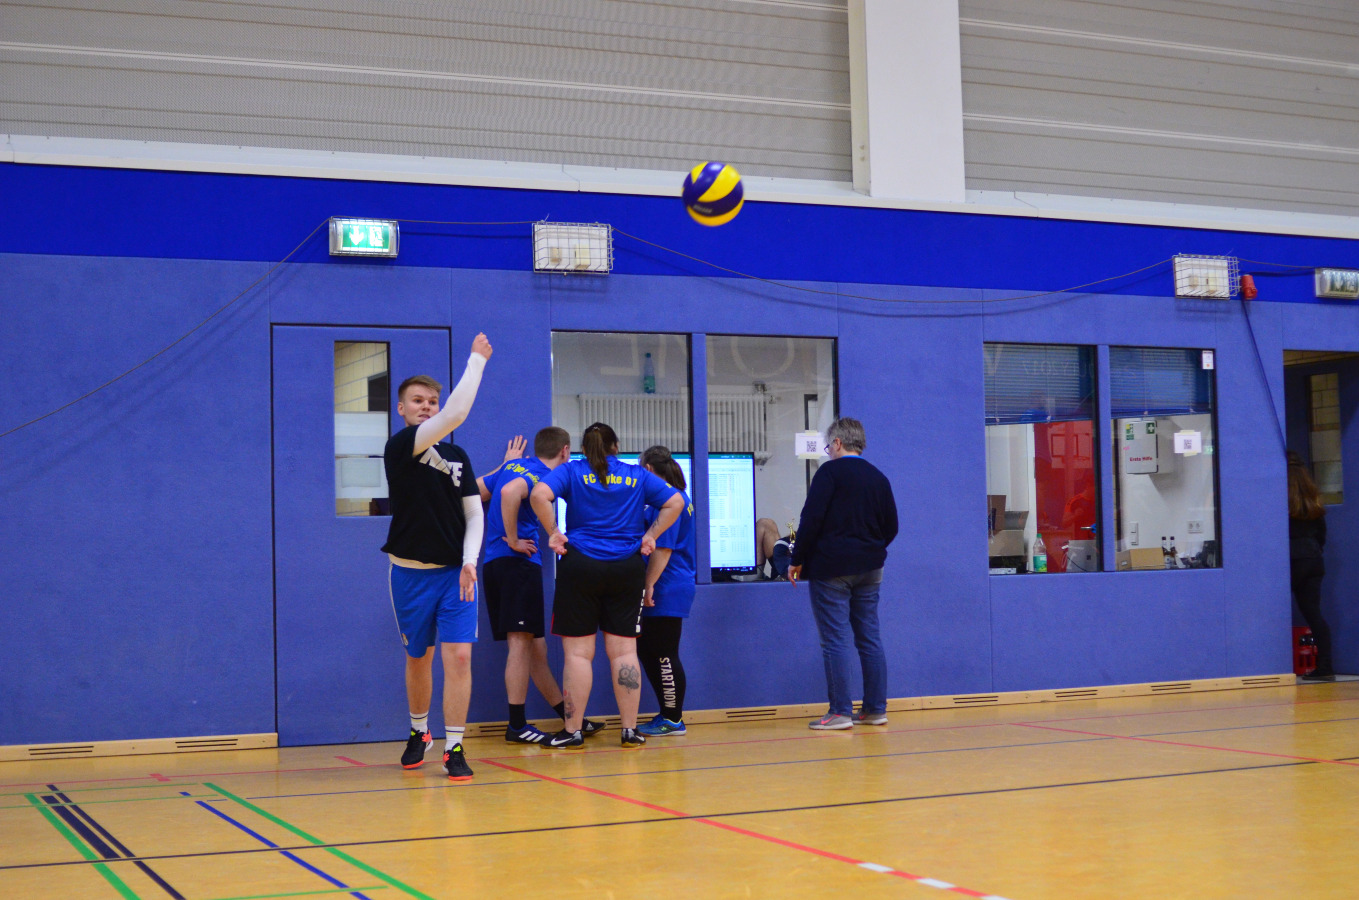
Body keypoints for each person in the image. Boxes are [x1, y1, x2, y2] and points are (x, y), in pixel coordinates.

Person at [529, 422, 684, 749]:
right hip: (627, 568)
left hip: (580, 567)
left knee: (578, 654)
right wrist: (651, 535)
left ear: (583, 449)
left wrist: (554, 532)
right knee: (624, 652)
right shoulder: (636, 475)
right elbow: (676, 502)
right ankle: (629, 730)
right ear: (617, 446)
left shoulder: (572, 471)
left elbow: (539, 494)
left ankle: (573, 731)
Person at [383, 333, 491, 782]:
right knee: (419, 658)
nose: (426, 407)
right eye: (418, 401)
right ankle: (419, 731)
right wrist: (476, 361)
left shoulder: (457, 455)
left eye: (432, 401)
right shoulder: (400, 447)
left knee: (460, 658)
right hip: (410, 575)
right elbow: (457, 414)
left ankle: (454, 746)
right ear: (402, 409)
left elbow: (474, 513)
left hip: (455, 576)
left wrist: (470, 560)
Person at [476, 427, 602, 742]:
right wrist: (513, 539)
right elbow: (508, 494)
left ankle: (570, 717)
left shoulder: (514, 466)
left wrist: (504, 466)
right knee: (521, 644)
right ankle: (517, 726)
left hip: (495, 565)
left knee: (536, 649)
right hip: (516, 564)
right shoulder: (542, 477)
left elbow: (476, 491)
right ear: (565, 451)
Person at [788, 417, 898, 730]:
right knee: (869, 638)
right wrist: (870, 549)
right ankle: (875, 709)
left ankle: (840, 712)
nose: (828, 451)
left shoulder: (829, 473)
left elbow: (811, 519)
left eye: (828, 446)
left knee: (835, 641)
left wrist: (797, 559)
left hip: (832, 568)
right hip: (871, 568)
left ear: (837, 443)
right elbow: (892, 526)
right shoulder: (878, 477)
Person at [636, 445, 697, 736]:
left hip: (667, 586)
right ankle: (667, 713)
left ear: (648, 470)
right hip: (666, 584)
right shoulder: (672, 498)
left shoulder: (671, 501)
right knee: (648, 650)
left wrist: (648, 584)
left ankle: (673, 718)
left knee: (664, 653)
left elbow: (663, 549)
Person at [1289, 452, 1334, 682]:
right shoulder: (1311, 494)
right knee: (1314, 614)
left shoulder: (1279, 492)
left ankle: (1274, 665)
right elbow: (1321, 533)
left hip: (1290, 557)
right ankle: (1325, 667)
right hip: (1313, 558)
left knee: (1273, 611)